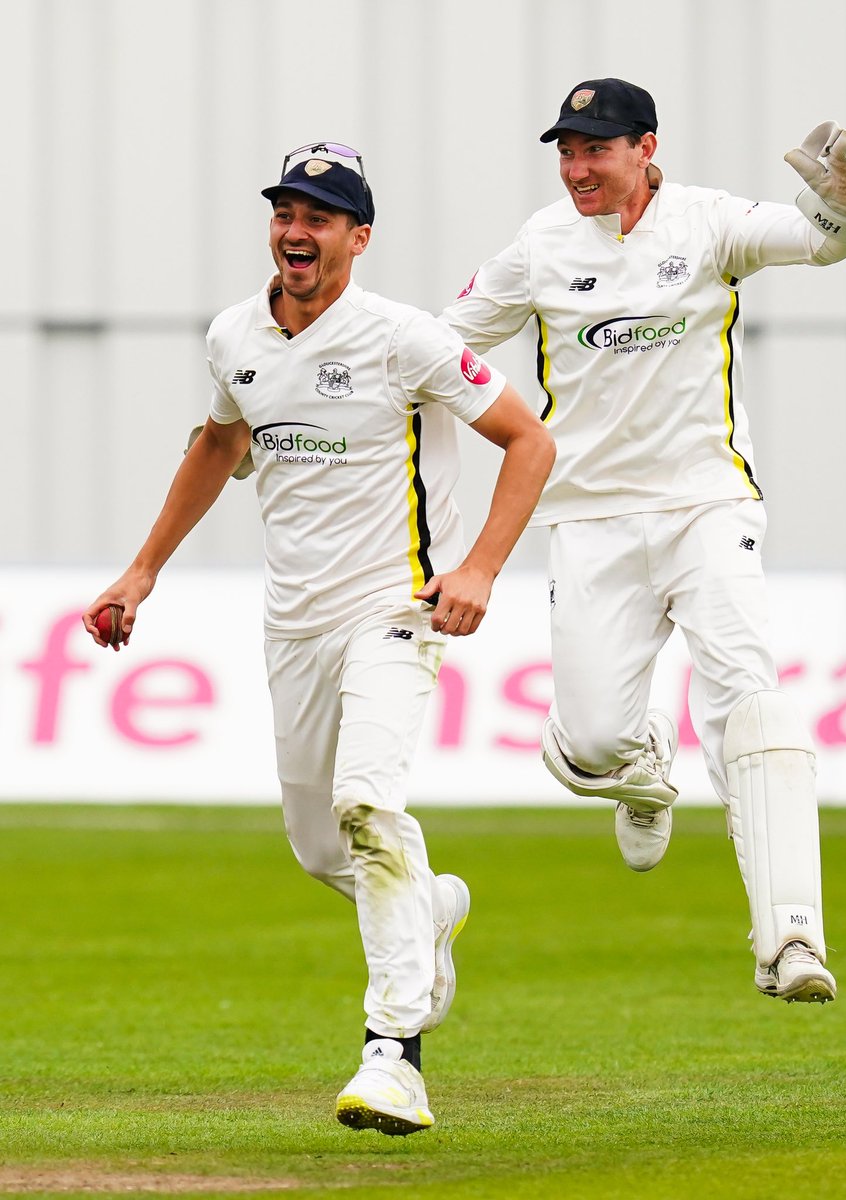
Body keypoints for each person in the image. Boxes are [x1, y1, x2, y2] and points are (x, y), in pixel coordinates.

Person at [83, 141, 555, 1134]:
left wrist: (478, 570)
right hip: (292, 623)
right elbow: (221, 443)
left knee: (368, 807)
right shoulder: (234, 335)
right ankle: (428, 911)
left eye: (320, 217)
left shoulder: (407, 338)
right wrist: (142, 571)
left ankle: (394, 1058)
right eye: (285, 213)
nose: (296, 232)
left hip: (395, 607)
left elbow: (530, 439)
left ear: (358, 237)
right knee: (317, 845)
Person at [443, 79, 846, 1005]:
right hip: (588, 518)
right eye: (567, 152)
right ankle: (641, 759)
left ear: (645, 148)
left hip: (706, 503)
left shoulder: (707, 222)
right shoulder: (541, 244)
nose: (578, 169)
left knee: (748, 701)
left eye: (596, 149)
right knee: (587, 744)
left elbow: (815, 238)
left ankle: (791, 938)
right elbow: (441, 343)